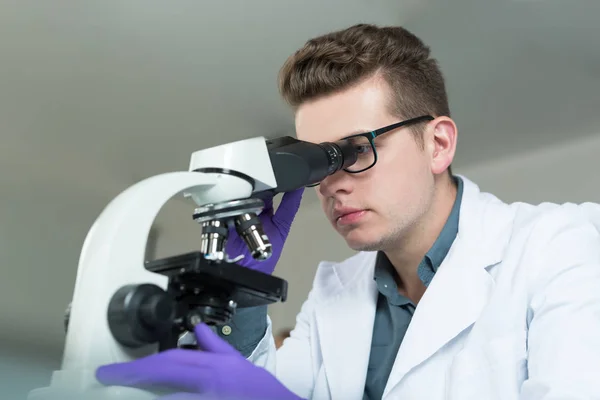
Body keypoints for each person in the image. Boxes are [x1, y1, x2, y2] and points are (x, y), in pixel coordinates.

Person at [95, 24, 600, 399]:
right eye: (317, 162)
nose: (330, 183)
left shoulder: (562, 246)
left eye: (355, 151)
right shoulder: (334, 292)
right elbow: (266, 388)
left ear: (439, 143)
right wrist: (240, 299)